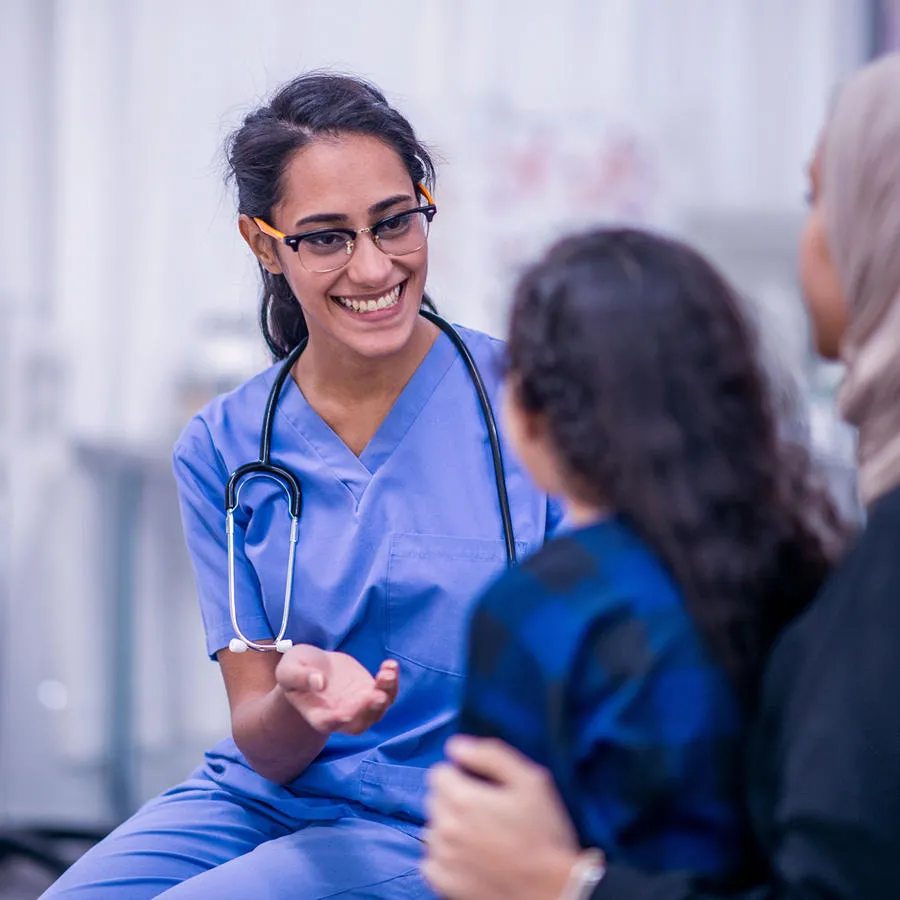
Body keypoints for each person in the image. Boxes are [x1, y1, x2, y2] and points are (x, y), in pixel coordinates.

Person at [42, 73, 561, 899]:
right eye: (325, 237)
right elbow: (266, 743)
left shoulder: (538, 403)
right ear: (265, 245)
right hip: (266, 795)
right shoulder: (224, 447)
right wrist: (301, 706)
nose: (373, 264)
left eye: (395, 221)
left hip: (447, 817)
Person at [423, 51, 900, 900]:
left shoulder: (538, 610)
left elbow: (480, 865)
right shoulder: (800, 569)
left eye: (817, 200)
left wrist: (567, 885)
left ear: (531, 412)